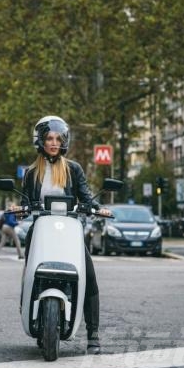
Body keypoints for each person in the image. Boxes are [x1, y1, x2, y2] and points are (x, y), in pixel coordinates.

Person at [19, 115, 111, 355]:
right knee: (30, 273)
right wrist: (19, 209)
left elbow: (86, 196)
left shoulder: (73, 169)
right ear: (40, 140)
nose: (53, 143)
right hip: (41, 229)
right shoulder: (31, 173)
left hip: (68, 230)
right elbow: (25, 202)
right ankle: (33, 317)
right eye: (49, 138)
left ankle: (93, 334)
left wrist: (95, 207)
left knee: (89, 275)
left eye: (58, 139)